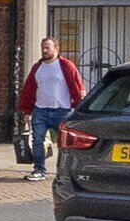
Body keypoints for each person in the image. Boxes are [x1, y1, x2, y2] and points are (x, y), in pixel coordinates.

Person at [19, 36, 85, 182]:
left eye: (47, 47)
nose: (44, 50)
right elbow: (29, 90)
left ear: (56, 48)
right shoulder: (37, 68)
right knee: (37, 140)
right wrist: (27, 111)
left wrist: (78, 107)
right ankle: (39, 170)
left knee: (65, 145)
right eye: (43, 47)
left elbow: (78, 86)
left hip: (62, 111)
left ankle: (65, 172)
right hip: (40, 110)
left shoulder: (67, 66)